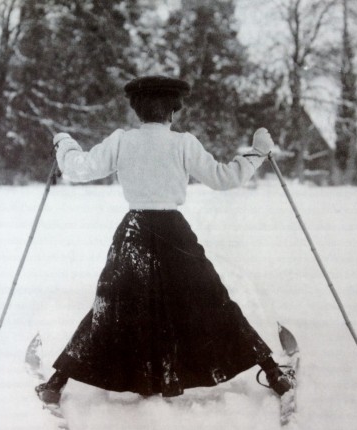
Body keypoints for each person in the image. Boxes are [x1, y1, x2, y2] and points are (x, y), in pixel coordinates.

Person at [35, 75, 295, 405]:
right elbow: (224, 178)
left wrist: (64, 144)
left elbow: (79, 169)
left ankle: (56, 382)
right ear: (173, 111)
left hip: (134, 232)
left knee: (111, 306)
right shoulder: (183, 143)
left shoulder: (121, 141)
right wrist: (258, 152)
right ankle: (272, 372)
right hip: (174, 233)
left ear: (136, 111)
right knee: (212, 298)